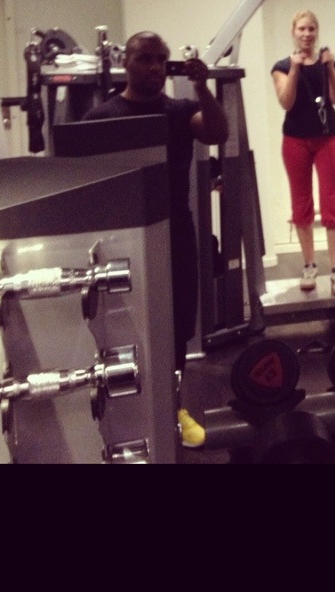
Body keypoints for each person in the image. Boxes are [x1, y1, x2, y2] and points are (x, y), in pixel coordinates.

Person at [83, 31, 229, 450]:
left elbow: (217, 132)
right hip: (119, 234)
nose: (154, 67)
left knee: (176, 324)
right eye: (145, 58)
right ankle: (127, 409)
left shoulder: (180, 111)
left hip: (173, 230)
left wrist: (202, 87)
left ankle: (173, 407)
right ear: (125, 62)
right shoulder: (101, 118)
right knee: (123, 320)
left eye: (161, 60)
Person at [271, 10, 335, 296]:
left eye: (311, 29)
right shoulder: (281, 67)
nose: (307, 34)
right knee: (301, 202)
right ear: (294, 32)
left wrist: (329, 69)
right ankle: (309, 265)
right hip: (295, 140)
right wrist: (295, 69)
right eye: (302, 29)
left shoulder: (330, 62)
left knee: (332, 202)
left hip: (327, 139)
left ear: (317, 32)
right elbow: (286, 102)